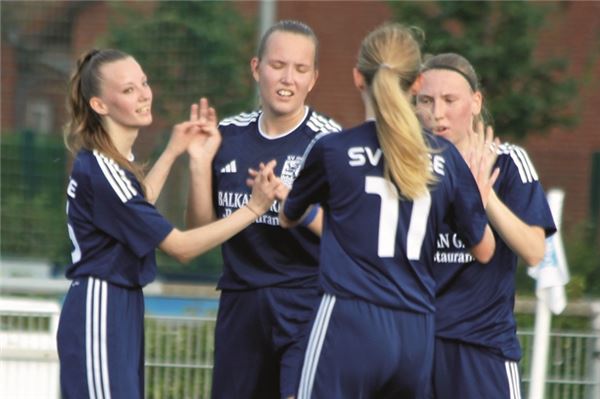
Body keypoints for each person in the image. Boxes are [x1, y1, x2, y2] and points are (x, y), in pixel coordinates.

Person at [277, 23, 497, 399]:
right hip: (416, 330)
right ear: (417, 84)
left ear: (358, 78)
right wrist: (478, 198)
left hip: (349, 321)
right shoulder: (446, 160)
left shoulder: (333, 150)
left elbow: (288, 216)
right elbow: (485, 249)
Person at [57, 48, 280, 399]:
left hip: (121, 305)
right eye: (128, 90)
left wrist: (175, 151)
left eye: (143, 83)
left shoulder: (115, 165)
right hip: (100, 307)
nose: (145, 93)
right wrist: (254, 208)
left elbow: (135, 207)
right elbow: (180, 247)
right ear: (99, 105)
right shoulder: (102, 169)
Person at [185, 20, 341, 399]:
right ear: (256, 68)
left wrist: (296, 206)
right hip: (240, 301)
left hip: (306, 302)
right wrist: (197, 165)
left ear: (313, 78)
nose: (287, 78)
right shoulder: (227, 135)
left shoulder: (331, 144)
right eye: (277, 65)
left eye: (300, 69)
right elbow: (198, 231)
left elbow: (351, 238)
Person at [415, 52, 557, 399]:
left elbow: (535, 252)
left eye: (450, 100)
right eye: (426, 100)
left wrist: (486, 196)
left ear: (476, 102)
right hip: (414, 344)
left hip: (482, 348)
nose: (437, 112)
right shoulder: (404, 165)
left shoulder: (508, 163)